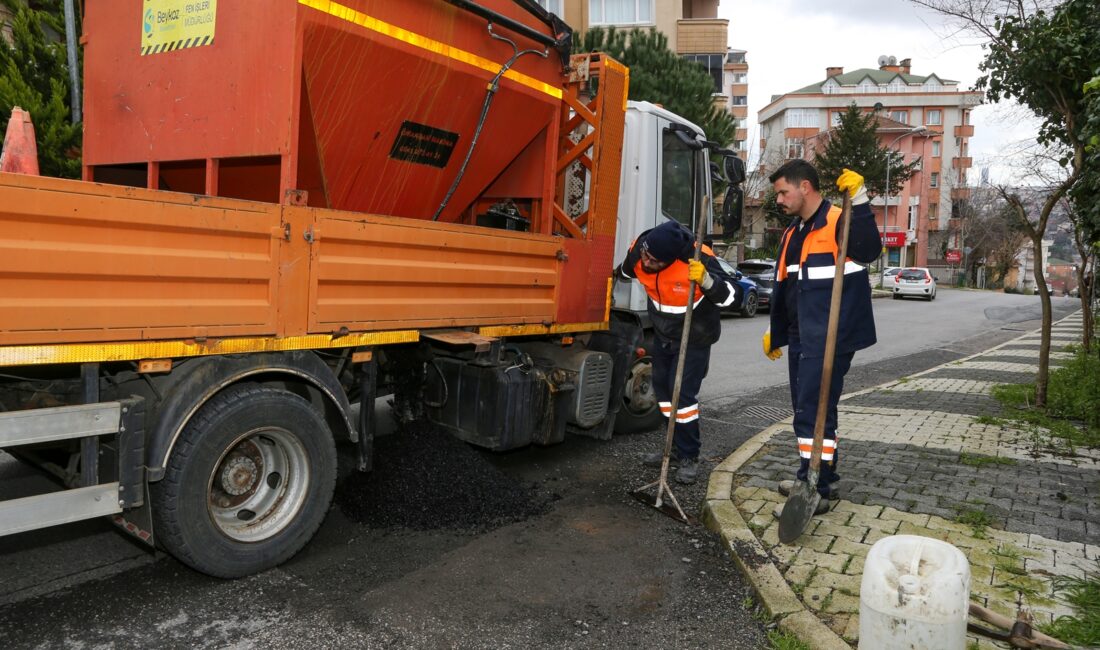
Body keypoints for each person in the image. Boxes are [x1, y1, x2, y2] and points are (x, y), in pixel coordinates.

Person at [761, 161, 881, 515]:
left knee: (814, 411)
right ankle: (813, 474)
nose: (779, 199)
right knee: (808, 409)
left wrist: (859, 199)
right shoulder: (792, 232)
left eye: (784, 192)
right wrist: (776, 330)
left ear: (806, 188)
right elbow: (787, 286)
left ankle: (818, 486)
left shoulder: (837, 220)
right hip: (803, 334)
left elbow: (868, 248)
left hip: (832, 334)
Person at [618, 220, 740, 484]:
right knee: (663, 393)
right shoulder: (639, 251)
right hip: (663, 334)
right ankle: (672, 447)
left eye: (654, 260)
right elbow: (624, 272)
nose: (647, 262)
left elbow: (733, 297)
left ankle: (689, 456)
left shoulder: (698, 259)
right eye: (645, 255)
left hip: (694, 336)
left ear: (672, 259)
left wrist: (707, 282)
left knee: (682, 397)